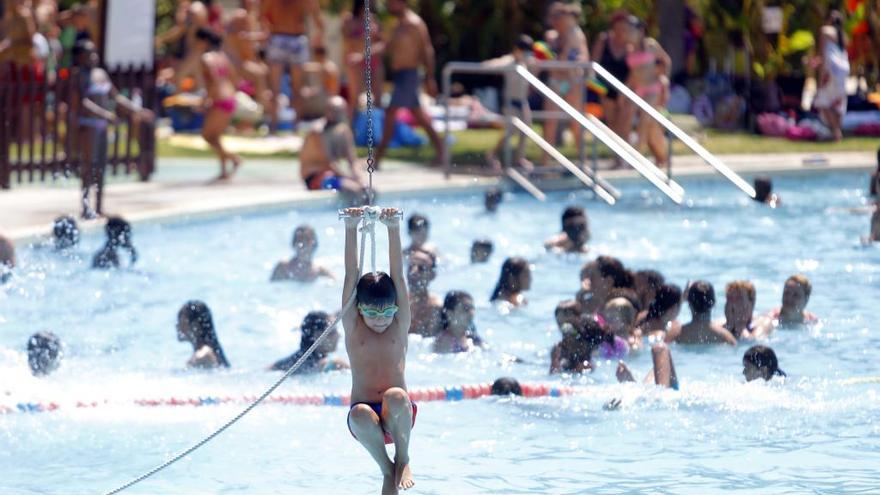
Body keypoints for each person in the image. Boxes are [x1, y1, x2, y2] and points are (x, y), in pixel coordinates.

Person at [340, 206, 416, 493]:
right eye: (373, 313)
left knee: (396, 395)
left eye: (388, 312)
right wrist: (351, 228)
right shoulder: (354, 328)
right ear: (359, 309)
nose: (382, 319)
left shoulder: (400, 324)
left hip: (399, 416)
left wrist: (393, 228)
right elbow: (351, 276)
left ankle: (403, 457)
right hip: (365, 422)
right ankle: (387, 470)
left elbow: (398, 275)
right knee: (359, 413)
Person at [71, 40, 154, 217]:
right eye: (89, 53)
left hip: (101, 127)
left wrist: (138, 110)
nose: (93, 57)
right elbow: (82, 102)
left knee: (101, 166)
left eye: (94, 53)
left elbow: (116, 97)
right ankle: (85, 207)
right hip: (88, 125)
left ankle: (99, 207)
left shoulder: (101, 74)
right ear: (79, 56)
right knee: (88, 167)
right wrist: (105, 114)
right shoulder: (78, 75)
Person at [374, 0, 444, 169]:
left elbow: (427, 50)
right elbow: (387, 47)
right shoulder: (398, 25)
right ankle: (442, 153)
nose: (389, 6)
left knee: (390, 114)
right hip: (400, 76)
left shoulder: (415, 23)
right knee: (419, 116)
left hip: (409, 75)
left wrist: (430, 78)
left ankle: (377, 160)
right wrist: (364, 55)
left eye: (392, 3)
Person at [260, 0, 324, 131]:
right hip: (286, 38)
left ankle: (288, 126)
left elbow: (318, 20)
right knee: (282, 88)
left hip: (286, 38)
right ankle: (280, 126)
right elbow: (318, 21)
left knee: (289, 88)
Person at [541, 2, 589, 167]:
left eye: (557, 18)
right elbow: (551, 60)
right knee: (550, 122)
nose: (554, 21)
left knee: (575, 123)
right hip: (556, 81)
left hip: (572, 82)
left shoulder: (575, 34)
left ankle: (583, 161)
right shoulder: (552, 36)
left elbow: (564, 60)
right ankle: (545, 162)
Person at [193, 28, 243, 181]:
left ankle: (234, 159)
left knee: (207, 136)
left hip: (219, 99)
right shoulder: (223, 57)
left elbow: (213, 81)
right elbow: (235, 78)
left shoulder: (206, 58)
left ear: (203, 41)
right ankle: (223, 170)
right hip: (230, 98)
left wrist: (206, 100)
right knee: (215, 136)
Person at [483, 34, 536, 173]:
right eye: (524, 51)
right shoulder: (509, 61)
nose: (526, 55)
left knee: (527, 128)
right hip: (511, 102)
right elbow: (495, 63)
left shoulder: (526, 62)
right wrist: (485, 65)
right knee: (510, 130)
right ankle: (492, 154)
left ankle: (520, 158)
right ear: (516, 50)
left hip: (522, 102)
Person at [299, 95, 368, 198]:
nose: (337, 115)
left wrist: (358, 178)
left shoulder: (344, 130)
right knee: (351, 188)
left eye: (340, 111)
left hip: (334, 174)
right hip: (314, 177)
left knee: (368, 190)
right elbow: (329, 162)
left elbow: (352, 160)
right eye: (334, 111)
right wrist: (349, 178)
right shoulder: (317, 132)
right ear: (327, 111)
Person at [626, 16, 671, 168]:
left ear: (640, 30)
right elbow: (634, 73)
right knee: (652, 127)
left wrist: (665, 80)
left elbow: (666, 61)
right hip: (639, 91)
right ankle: (662, 157)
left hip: (653, 89)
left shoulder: (651, 45)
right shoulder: (630, 49)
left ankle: (636, 156)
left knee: (644, 121)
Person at [592, 10, 636, 168]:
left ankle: (627, 157)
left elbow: (634, 70)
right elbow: (594, 64)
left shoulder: (631, 45)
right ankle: (617, 158)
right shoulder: (604, 40)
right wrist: (596, 87)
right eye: (619, 26)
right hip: (606, 87)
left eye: (625, 27)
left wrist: (625, 91)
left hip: (626, 87)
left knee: (624, 123)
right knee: (612, 123)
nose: (621, 30)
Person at [341, 0, 385, 118]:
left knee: (378, 98)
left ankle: (379, 130)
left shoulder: (374, 20)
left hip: (373, 61)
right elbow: (347, 41)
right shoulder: (349, 19)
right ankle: (352, 129)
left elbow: (382, 44)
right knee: (354, 98)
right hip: (355, 63)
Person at [269, 311, 349, 373]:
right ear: (317, 335)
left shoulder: (286, 362)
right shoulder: (334, 364)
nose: (338, 335)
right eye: (333, 331)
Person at [812, 12, 850, 141]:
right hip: (843, 72)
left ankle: (836, 132)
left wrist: (820, 78)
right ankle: (836, 131)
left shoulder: (825, 31)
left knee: (822, 100)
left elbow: (823, 56)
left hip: (831, 71)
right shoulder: (843, 36)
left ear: (830, 20)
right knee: (838, 102)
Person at [667, 281, 736, 345]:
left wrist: (681, 300)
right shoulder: (726, 337)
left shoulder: (674, 334)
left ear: (689, 303)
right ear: (713, 303)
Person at [176, 300, 230, 369]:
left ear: (195, 325)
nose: (177, 325)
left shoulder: (202, 356)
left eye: (181, 320)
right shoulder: (211, 352)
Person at [297, 43, 341, 120]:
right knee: (305, 92)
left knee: (303, 95)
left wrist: (311, 92)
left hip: (330, 97)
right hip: (326, 94)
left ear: (319, 56)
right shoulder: (325, 65)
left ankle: (299, 120)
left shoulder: (328, 67)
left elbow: (307, 67)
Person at [406, 250, 441, 337]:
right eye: (411, 267)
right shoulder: (394, 303)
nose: (413, 272)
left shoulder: (435, 308)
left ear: (432, 275)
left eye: (421, 268)